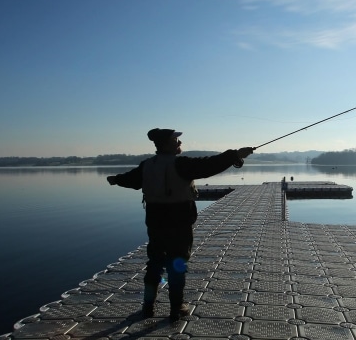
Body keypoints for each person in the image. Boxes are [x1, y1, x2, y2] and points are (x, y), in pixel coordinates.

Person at [107, 128, 254, 320]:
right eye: (176, 140)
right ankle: (177, 307)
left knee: (155, 263)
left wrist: (115, 179)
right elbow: (210, 165)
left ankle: (148, 306)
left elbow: (130, 180)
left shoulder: (147, 165)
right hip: (179, 221)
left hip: (155, 221)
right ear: (167, 143)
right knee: (177, 264)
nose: (179, 144)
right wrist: (235, 154)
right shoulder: (182, 164)